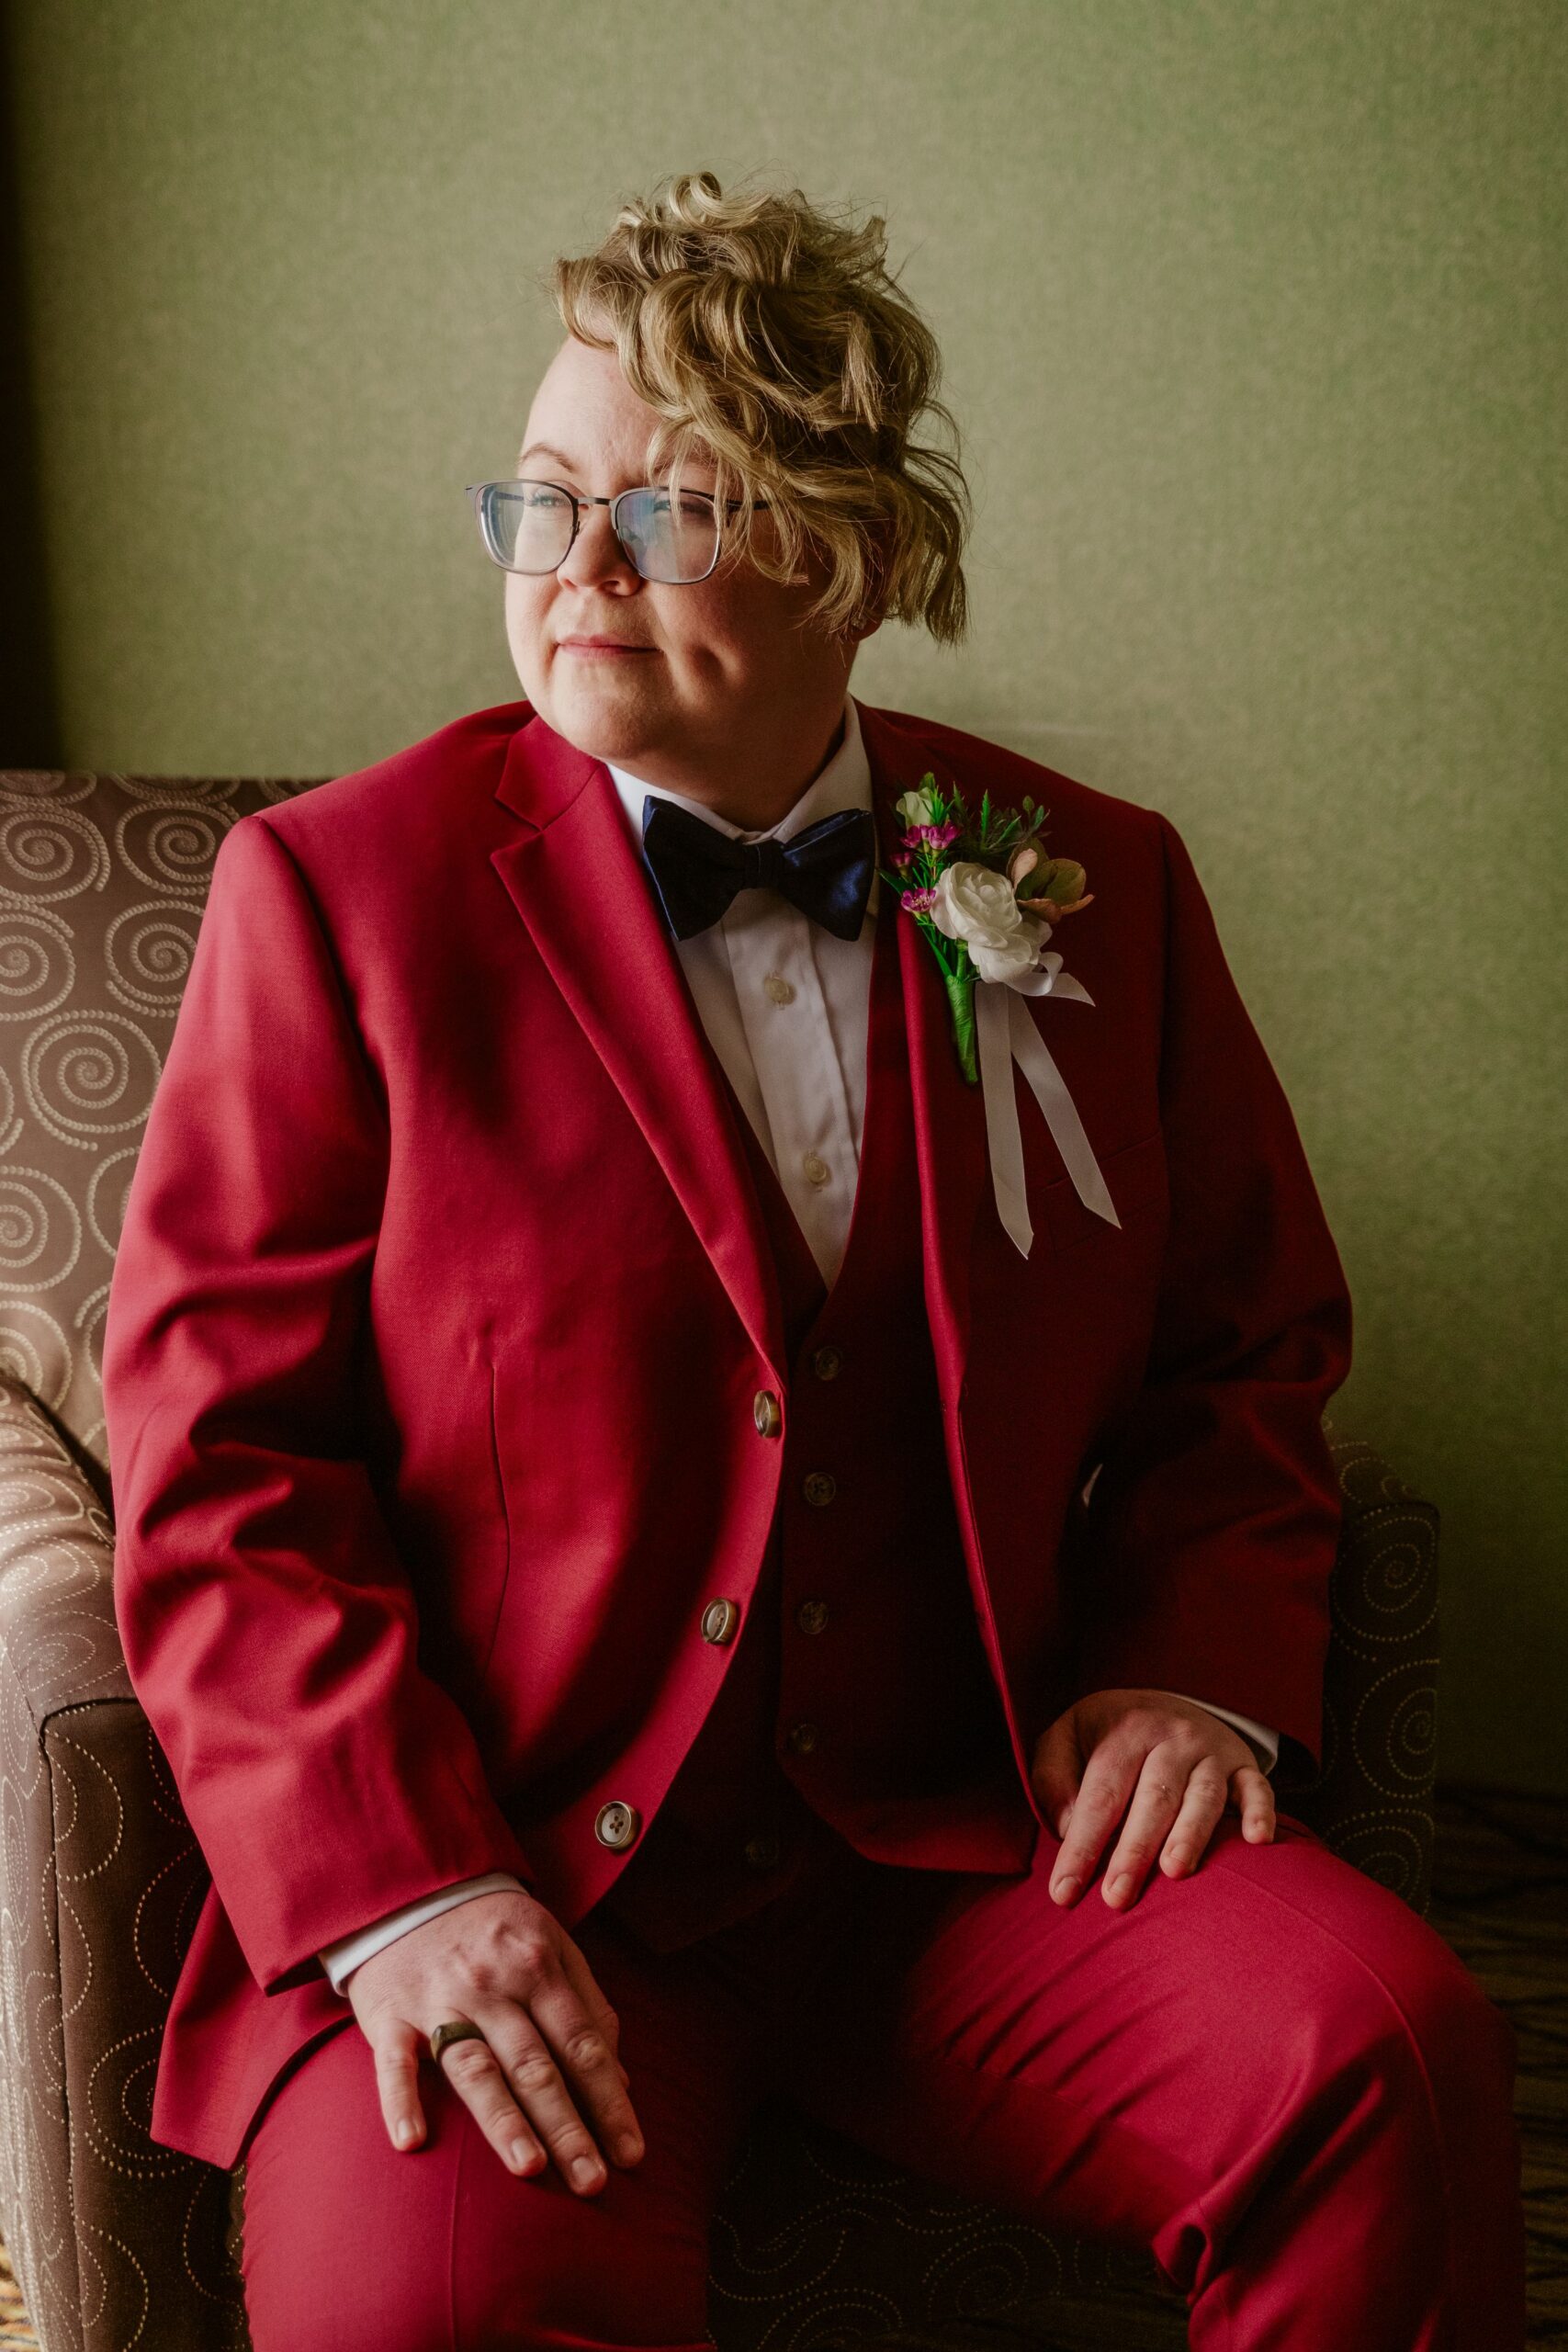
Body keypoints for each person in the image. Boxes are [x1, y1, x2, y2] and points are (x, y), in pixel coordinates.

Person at [102, 169, 1524, 2351]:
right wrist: (404, 1879)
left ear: (853, 557)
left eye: (665, 513)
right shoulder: (338, 898)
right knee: (426, 2313)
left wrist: (1191, 1656)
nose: (572, 568)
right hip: (522, 1870)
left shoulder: (1087, 886)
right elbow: (217, 1460)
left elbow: (1243, 1348)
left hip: (963, 1852)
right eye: (538, 498)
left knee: (1385, 2052)